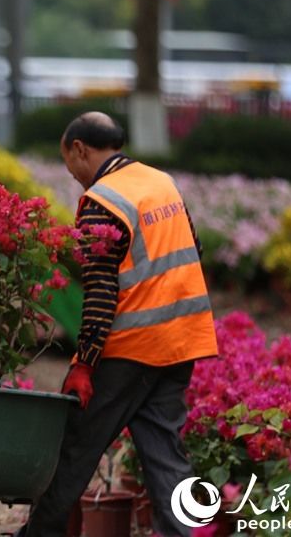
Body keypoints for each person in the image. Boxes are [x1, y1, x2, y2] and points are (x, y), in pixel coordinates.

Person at [14, 112, 218, 537]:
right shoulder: (160, 181)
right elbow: (193, 247)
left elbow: (102, 292)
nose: (72, 174)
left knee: (75, 448)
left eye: (68, 162)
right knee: (164, 453)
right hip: (182, 340)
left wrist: (84, 362)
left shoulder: (102, 201)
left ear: (79, 149)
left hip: (130, 348)